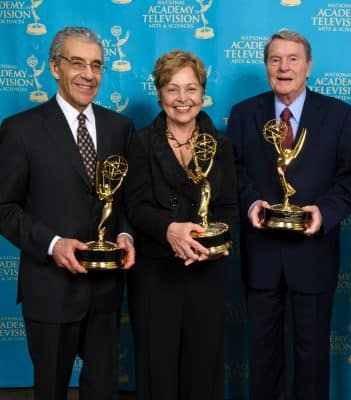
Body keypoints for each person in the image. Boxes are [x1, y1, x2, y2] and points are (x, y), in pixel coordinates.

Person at [227, 30, 351, 399]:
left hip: (314, 253)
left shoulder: (339, 115)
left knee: (312, 355)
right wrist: (253, 204)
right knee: (262, 355)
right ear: (266, 66)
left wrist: (322, 213)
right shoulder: (243, 114)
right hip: (262, 254)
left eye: (292, 59)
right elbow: (232, 173)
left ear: (308, 66)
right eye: (275, 59)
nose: (284, 67)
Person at [0, 27, 135, 400]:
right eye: (77, 63)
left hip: (105, 290)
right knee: (50, 390)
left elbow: (125, 202)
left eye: (96, 65)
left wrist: (125, 235)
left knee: (103, 390)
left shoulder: (120, 128)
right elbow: (4, 209)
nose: (88, 75)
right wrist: (54, 244)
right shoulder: (20, 130)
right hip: (50, 288)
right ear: (55, 67)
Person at [124, 49, 238, 400]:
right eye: (172, 89)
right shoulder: (140, 143)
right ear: (159, 94)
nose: (182, 99)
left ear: (203, 93)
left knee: (203, 372)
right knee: (157, 371)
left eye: (191, 89)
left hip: (207, 272)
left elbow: (230, 207)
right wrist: (170, 230)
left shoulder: (221, 144)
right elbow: (136, 206)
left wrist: (211, 245)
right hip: (157, 273)